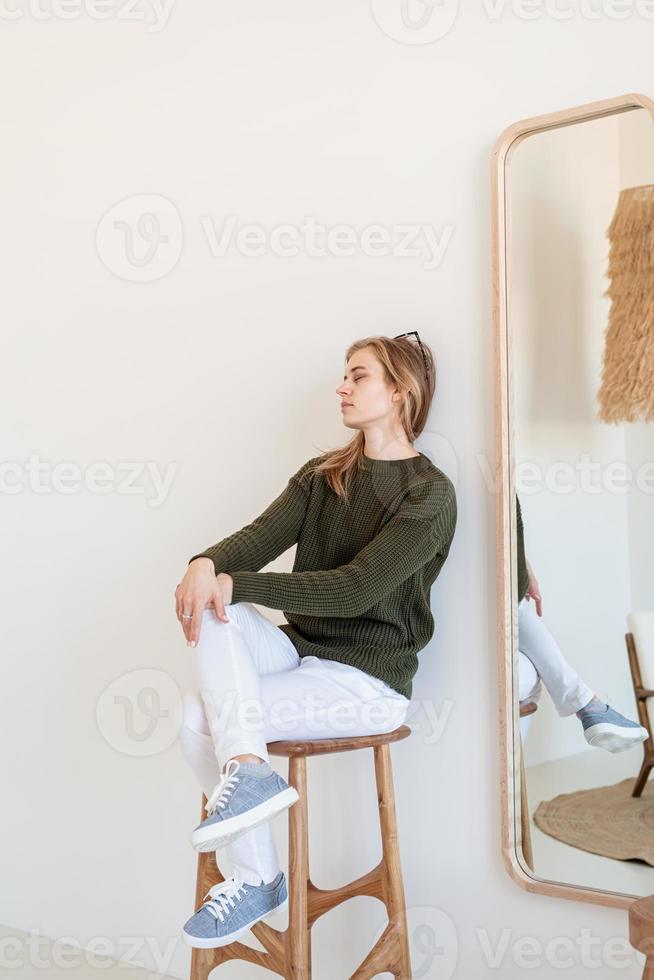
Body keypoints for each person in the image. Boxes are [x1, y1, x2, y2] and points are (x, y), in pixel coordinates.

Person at [176, 332, 457, 948]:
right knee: (212, 623)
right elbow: (256, 537)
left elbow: (356, 590)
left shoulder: (428, 494)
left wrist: (235, 580)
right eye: (345, 376)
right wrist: (205, 563)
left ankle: (255, 870)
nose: (342, 387)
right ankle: (255, 819)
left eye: (358, 376)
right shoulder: (323, 476)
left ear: (399, 391)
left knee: (203, 715)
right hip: (303, 657)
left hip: (367, 682)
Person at [516, 494, 648, 752]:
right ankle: (590, 706)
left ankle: (589, 705)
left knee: (530, 667)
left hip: (510, 582)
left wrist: (524, 567)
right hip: (498, 594)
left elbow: (505, 528)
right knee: (517, 610)